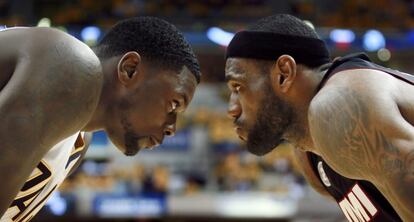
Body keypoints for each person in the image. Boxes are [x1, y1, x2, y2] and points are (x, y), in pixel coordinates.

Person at [0, 16, 200, 221]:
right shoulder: (71, 63)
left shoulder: (79, 143)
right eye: (174, 104)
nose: (172, 128)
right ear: (130, 69)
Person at [225, 14, 414, 221]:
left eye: (238, 87)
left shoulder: (341, 105)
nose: (232, 109)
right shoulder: (309, 153)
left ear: (284, 74)